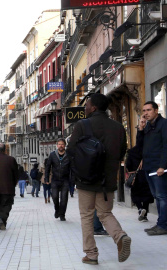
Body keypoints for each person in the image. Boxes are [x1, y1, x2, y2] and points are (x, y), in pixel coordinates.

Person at [67, 93, 130, 264]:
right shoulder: (118, 127)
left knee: (87, 216)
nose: (85, 108)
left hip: (86, 179)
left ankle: (91, 254)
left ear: (93, 107)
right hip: (107, 180)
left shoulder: (82, 125)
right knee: (105, 213)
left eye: (87, 105)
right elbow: (122, 151)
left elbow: (70, 150)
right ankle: (120, 236)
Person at [136, 101, 167, 235]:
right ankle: (161, 223)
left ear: (156, 110)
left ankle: (163, 225)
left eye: (148, 110)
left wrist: (163, 166)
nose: (145, 113)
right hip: (149, 167)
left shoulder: (163, 124)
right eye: (144, 111)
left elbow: (166, 146)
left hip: (159, 168)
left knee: (162, 197)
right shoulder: (148, 126)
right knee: (157, 196)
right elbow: (140, 146)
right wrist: (141, 130)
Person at [125, 144, 154, 222]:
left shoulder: (131, 153)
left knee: (135, 194)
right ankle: (144, 215)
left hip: (135, 177)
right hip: (146, 175)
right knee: (146, 195)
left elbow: (128, 165)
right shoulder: (148, 152)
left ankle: (140, 209)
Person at [45, 138, 72, 221]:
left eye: (62, 144)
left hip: (65, 180)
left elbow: (73, 168)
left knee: (64, 199)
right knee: (55, 197)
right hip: (55, 180)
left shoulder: (69, 155)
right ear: (57, 145)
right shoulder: (53, 155)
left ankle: (62, 214)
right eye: (59, 144)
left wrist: (73, 181)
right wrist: (47, 178)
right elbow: (48, 167)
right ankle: (57, 210)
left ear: (65, 145)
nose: (61, 146)